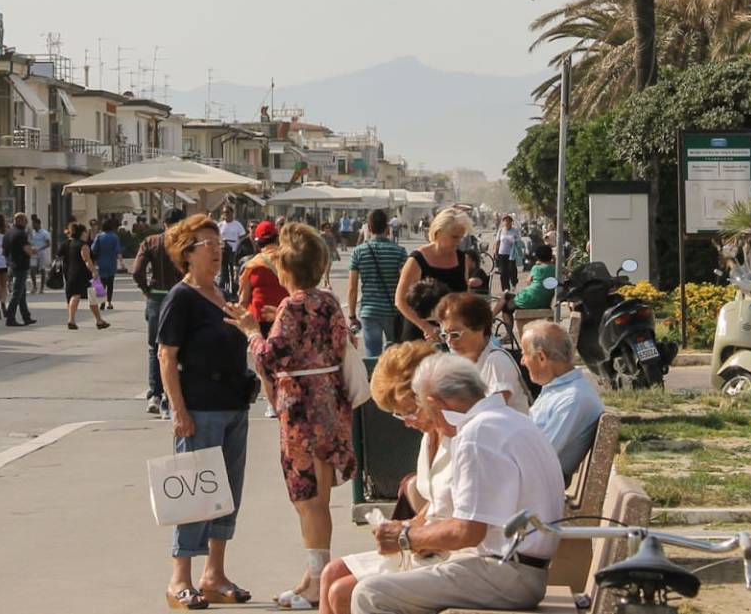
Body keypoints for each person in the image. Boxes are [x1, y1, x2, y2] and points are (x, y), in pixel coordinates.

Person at [348, 354, 564, 614]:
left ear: (434, 403)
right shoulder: (511, 420)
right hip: (520, 569)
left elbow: (467, 532)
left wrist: (405, 538)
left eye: (422, 408)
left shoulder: (477, 433)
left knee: (370, 594)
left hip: (506, 574)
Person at [238, 222, 357, 610]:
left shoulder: (293, 306)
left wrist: (252, 331)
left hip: (302, 408)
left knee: (307, 498)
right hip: (329, 402)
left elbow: (270, 357)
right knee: (319, 497)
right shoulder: (326, 301)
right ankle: (313, 575)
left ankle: (318, 582)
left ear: (286, 269)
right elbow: (337, 342)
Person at [156, 214, 254, 611]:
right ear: (186, 253)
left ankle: (214, 575)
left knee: (227, 494)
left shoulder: (223, 294)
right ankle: (179, 579)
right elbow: (166, 355)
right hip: (199, 407)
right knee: (194, 494)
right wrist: (178, 409)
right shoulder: (181, 297)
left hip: (234, 406)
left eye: (219, 244)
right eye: (207, 245)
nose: (217, 251)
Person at [319, 341, 457, 614]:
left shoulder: (462, 437)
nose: (407, 421)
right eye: (399, 414)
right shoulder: (430, 436)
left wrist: (411, 535)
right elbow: (438, 501)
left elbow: (465, 518)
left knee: (342, 592)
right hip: (427, 545)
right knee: (331, 573)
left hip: (452, 554)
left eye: (411, 411)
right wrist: (408, 525)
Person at [520, 320, 604, 482]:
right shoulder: (560, 390)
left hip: (534, 486)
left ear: (541, 357)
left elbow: (540, 458)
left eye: (524, 354)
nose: (522, 361)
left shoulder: (572, 399)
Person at [394, 209, 484, 345]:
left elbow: (464, 295)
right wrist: (426, 327)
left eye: (461, 237)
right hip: (419, 334)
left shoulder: (462, 259)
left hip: (452, 336)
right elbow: (400, 301)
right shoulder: (417, 259)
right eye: (454, 237)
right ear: (438, 232)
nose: (458, 242)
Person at [133, 206, 186, 416]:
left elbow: (137, 271)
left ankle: (155, 394)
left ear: (164, 223)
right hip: (179, 296)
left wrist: (146, 290)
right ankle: (169, 395)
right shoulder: (185, 243)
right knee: (178, 346)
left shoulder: (150, 242)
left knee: (155, 347)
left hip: (156, 296)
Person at [436, 292, 529, 412]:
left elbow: (493, 412)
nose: (449, 341)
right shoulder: (457, 364)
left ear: (479, 328)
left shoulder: (496, 361)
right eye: (444, 335)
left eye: (455, 334)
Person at [238, 221, 290, 417]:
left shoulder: (251, 265)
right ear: (277, 238)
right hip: (285, 316)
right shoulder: (288, 261)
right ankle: (286, 398)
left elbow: (243, 299)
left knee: (263, 364)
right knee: (284, 362)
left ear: (257, 242)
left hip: (259, 320)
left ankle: (272, 404)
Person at [348, 208, 407, 358]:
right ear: (387, 228)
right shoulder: (399, 251)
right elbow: (405, 283)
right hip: (393, 311)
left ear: (369, 228)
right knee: (396, 356)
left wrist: (352, 316)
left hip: (369, 311)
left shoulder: (358, 252)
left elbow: (352, 288)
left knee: (373, 355)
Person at [61, 221, 108, 329]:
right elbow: (86, 260)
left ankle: (72, 320)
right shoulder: (83, 245)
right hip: (83, 275)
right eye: (86, 232)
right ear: (82, 233)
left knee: (75, 296)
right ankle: (99, 321)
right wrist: (94, 271)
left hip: (71, 274)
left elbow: (61, 257)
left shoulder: (68, 243)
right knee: (92, 297)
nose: (87, 234)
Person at [3, 213, 36, 326]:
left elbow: (4, 252)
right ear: (19, 220)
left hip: (12, 265)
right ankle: (10, 317)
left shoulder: (8, 233)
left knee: (22, 293)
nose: (26, 222)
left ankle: (26, 316)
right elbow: (27, 250)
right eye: (25, 220)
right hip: (21, 265)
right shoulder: (21, 234)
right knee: (17, 293)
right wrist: (33, 251)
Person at [512, 243, 556, 312]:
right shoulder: (556, 269)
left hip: (528, 299)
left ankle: (494, 316)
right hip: (545, 302)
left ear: (538, 257)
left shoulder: (536, 268)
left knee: (506, 303)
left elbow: (528, 282)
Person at [92, 216, 123, 310]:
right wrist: (121, 262)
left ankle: (101, 302)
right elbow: (118, 250)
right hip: (111, 263)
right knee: (110, 284)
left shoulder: (99, 236)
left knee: (101, 283)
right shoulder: (115, 237)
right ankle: (109, 303)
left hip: (101, 263)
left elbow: (93, 249)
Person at [216, 206, 248, 291]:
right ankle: (223, 288)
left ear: (232, 213)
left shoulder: (237, 225)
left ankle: (234, 288)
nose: (226, 214)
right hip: (223, 250)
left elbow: (243, 236)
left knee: (233, 271)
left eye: (227, 212)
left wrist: (238, 245)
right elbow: (216, 237)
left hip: (234, 251)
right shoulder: (220, 225)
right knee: (223, 271)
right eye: (224, 212)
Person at [493, 216, 519, 297]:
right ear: (503, 222)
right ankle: (505, 288)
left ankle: (514, 283)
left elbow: (518, 241)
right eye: (505, 221)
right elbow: (497, 241)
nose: (507, 223)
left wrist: (514, 242)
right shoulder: (501, 230)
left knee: (512, 270)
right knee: (503, 272)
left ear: (511, 222)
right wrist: (495, 251)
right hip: (502, 253)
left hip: (512, 253)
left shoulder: (515, 231)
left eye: (508, 221)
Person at [30, 216, 52, 294]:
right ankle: (34, 286)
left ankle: (42, 288)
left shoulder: (44, 233)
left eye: (34, 224)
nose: (33, 225)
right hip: (33, 253)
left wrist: (39, 249)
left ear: (38, 224)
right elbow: (29, 241)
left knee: (42, 270)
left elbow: (48, 244)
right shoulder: (32, 233)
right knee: (32, 269)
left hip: (42, 253)